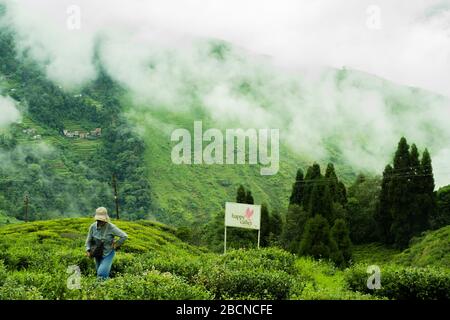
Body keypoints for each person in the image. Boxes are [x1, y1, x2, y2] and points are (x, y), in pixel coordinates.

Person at [85, 207, 128, 280]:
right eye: (98, 220)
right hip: (97, 253)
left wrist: (116, 244)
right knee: (100, 274)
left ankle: (102, 288)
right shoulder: (92, 227)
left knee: (101, 273)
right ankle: (105, 288)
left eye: (101, 220)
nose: (100, 222)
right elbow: (88, 240)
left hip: (108, 253)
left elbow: (124, 236)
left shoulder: (111, 227)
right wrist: (88, 250)